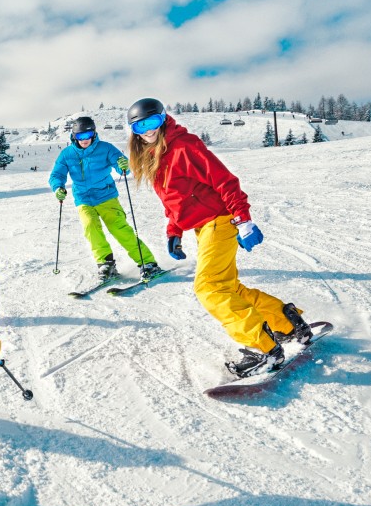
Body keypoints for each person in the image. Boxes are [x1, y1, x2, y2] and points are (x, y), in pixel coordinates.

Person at [125, 98, 313, 377]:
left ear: (163, 119)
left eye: (153, 122)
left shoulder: (184, 146)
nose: (148, 131)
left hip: (220, 221)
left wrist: (243, 219)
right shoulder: (154, 156)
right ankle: (287, 323)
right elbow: (174, 200)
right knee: (228, 287)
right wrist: (174, 231)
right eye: (141, 126)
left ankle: (265, 348)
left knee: (209, 287)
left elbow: (224, 181)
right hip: (204, 226)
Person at [49, 114, 159, 281]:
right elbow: (57, 174)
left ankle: (147, 262)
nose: (84, 140)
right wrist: (58, 187)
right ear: (74, 136)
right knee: (90, 227)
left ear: (94, 134)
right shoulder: (67, 154)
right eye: (80, 136)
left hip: (106, 195)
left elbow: (122, 165)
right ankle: (105, 263)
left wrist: (123, 165)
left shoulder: (105, 148)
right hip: (83, 198)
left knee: (119, 228)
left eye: (88, 136)